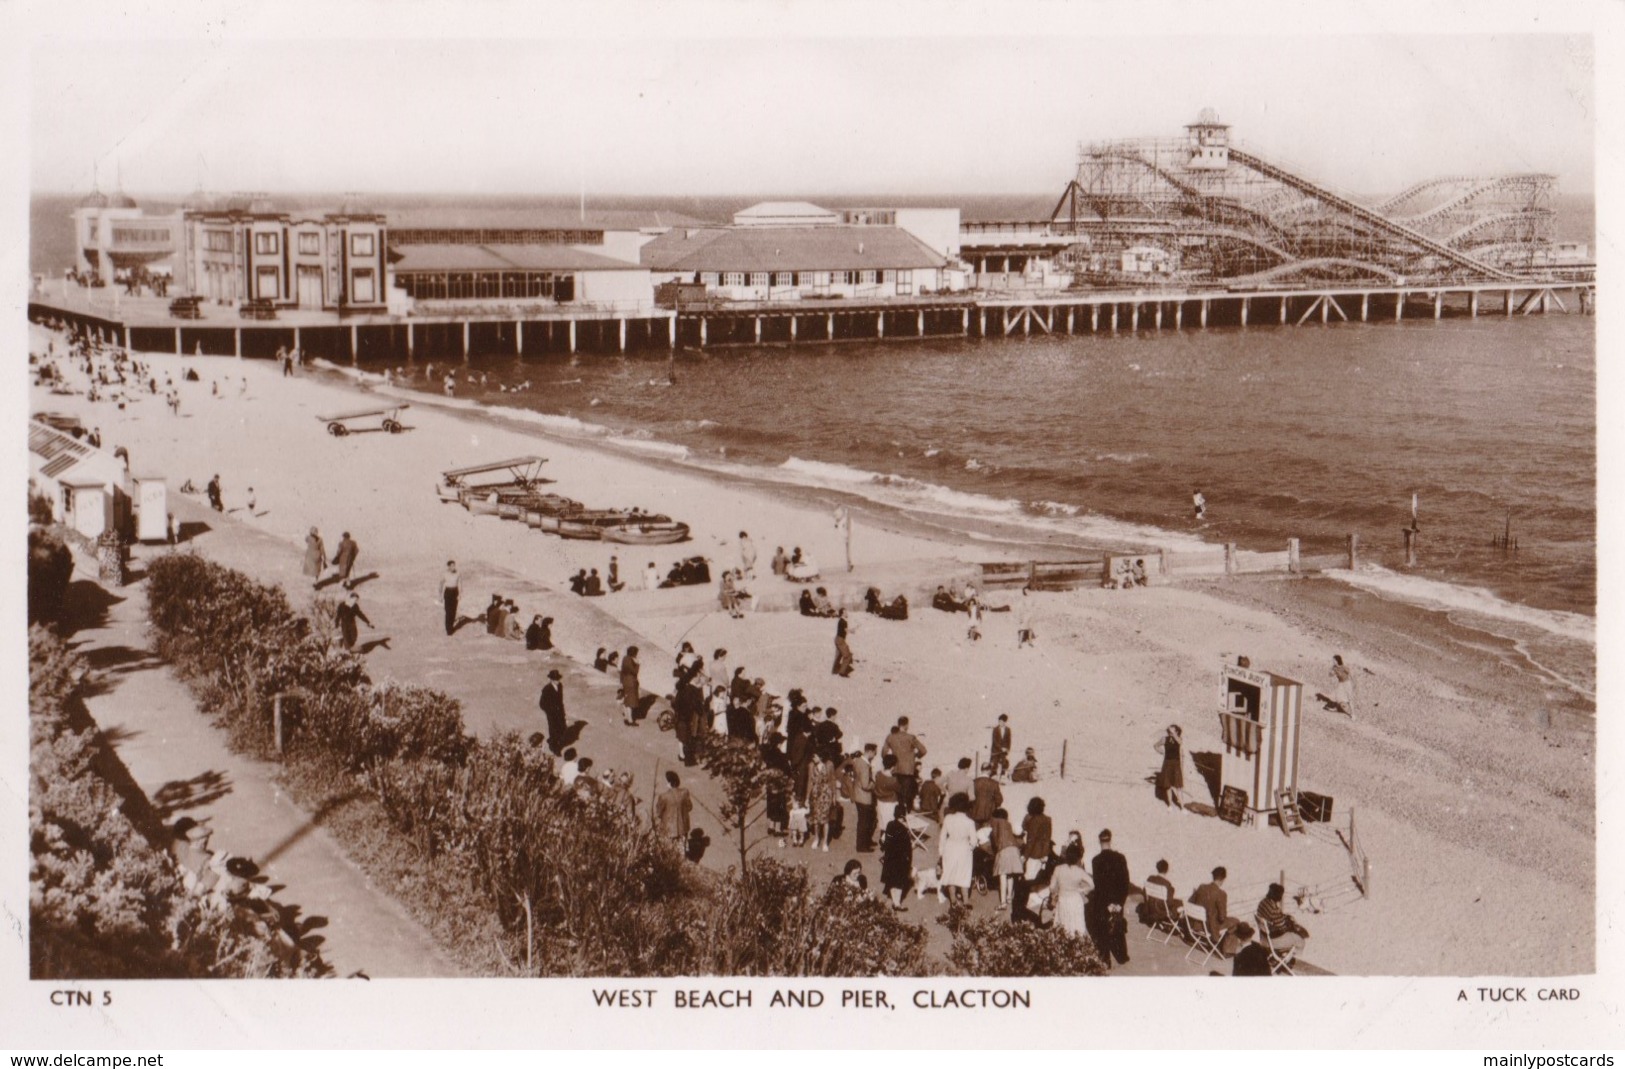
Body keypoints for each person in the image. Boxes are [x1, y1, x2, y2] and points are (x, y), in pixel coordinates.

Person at [1087, 829, 1132, 966]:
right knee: (1117, 928)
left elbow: (1099, 885)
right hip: (1118, 900)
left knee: (1102, 930)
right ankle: (1122, 956)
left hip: (1104, 901)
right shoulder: (1120, 858)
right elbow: (1125, 882)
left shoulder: (1096, 860)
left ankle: (1105, 959)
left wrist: (1107, 904)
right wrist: (1119, 903)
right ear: (1110, 840)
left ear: (1099, 841)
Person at [1189, 866, 1243, 955]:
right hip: (1209, 927)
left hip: (1197, 924)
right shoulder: (1221, 894)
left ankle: (1215, 943)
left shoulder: (1201, 887)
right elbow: (1222, 918)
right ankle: (1227, 950)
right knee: (1236, 921)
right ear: (1223, 879)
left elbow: (1191, 902)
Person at [938, 794, 977, 904]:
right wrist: (969, 847)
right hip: (964, 848)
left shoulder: (948, 819)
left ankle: (953, 900)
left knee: (951, 873)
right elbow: (974, 841)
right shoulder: (970, 822)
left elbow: (942, 837)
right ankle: (966, 900)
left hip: (950, 847)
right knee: (964, 874)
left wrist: (941, 852)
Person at [882, 718, 927, 812]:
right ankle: (906, 817)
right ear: (906, 725)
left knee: (897, 797)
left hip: (895, 771)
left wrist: (891, 761)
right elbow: (923, 750)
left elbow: (883, 753)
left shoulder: (890, 737)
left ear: (898, 725)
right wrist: (915, 756)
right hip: (907, 771)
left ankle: (897, 818)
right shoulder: (911, 737)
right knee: (906, 797)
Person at [1255, 882, 1311, 954]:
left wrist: (1285, 917)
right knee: (1300, 941)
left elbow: (1275, 917)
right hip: (1273, 940)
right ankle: (1285, 956)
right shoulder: (1273, 908)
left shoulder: (1263, 902)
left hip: (1264, 937)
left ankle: (1282, 955)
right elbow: (1281, 926)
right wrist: (1292, 926)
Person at [842, 743, 879, 852]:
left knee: (863, 821)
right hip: (865, 797)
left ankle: (866, 842)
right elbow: (865, 785)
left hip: (858, 795)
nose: (875, 755)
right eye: (875, 753)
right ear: (870, 752)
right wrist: (874, 784)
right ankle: (862, 846)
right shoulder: (864, 765)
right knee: (865, 822)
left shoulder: (857, 761)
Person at [1049, 841, 1090, 937]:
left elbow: (1051, 887)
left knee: (1063, 928)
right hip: (1076, 900)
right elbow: (1091, 885)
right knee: (1077, 929)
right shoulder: (1079, 871)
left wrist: (1056, 893)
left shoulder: (1058, 869)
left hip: (1063, 899)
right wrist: (1082, 890)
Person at [880, 804, 914, 910]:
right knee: (899, 882)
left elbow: (886, 839)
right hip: (901, 859)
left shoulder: (890, 824)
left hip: (890, 856)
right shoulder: (903, 830)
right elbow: (906, 847)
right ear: (904, 815)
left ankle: (893, 899)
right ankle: (897, 903)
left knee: (891, 879)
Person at [987, 807, 1023, 907]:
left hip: (1004, 849)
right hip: (1014, 849)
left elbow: (994, 841)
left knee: (1002, 875)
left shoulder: (994, 822)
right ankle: (1009, 897)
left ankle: (1003, 902)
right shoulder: (1008, 824)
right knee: (1010, 875)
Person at [1155, 724, 1191, 811]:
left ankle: (1182, 807)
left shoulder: (1179, 739)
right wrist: (1161, 752)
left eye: (1173, 730)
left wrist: (1174, 733)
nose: (1170, 732)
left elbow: (1180, 742)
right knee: (1168, 786)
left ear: (1177, 732)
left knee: (1178, 787)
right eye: (1170, 731)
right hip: (1167, 764)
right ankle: (1170, 805)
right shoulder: (1165, 739)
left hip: (1176, 765)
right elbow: (1156, 745)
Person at [805, 753, 836, 853]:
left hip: (826, 794)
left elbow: (832, 780)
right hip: (815, 795)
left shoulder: (829, 765)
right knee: (816, 819)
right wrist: (807, 797)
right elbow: (809, 781)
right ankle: (816, 838)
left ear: (821, 756)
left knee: (825, 819)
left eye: (815, 756)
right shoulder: (811, 765)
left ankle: (825, 842)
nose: (813, 758)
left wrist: (834, 795)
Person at [654, 771, 693, 846]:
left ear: (669, 783)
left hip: (669, 828)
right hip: (683, 827)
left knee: (669, 850)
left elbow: (658, 813)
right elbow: (689, 807)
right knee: (681, 849)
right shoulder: (684, 792)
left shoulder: (663, 796)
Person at [1020, 796, 1053, 880]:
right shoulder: (1047, 820)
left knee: (1029, 878)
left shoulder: (1034, 821)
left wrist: (1025, 856)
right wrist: (1045, 854)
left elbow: (1031, 840)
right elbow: (1047, 838)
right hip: (1044, 852)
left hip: (1034, 853)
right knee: (1040, 879)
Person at [539, 669, 567, 755]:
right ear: (551, 680)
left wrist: (562, 711)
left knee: (562, 728)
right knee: (554, 729)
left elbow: (560, 700)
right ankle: (554, 748)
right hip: (551, 714)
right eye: (555, 679)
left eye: (558, 679)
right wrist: (549, 711)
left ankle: (552, 740)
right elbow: (542, 703)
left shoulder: (560, 686)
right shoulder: (546, 689)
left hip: (559, 712)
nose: (557, 681)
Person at [1319, 654, 1356, 718]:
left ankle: (1353, 714)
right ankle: (1337, 708)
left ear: (1337, 661)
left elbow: (1350, 674)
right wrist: (1331, 669)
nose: (1333, 662)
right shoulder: (1335, 668)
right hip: (1341, 683)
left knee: (1350, 698)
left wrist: (1354, 683)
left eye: (1334, 660)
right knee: (1338, 696)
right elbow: (1330, 675)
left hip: (1347, 683)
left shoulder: (1343, 667)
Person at [619, 645, 641, 726]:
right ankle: (630, 721)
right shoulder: (629, 660)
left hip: (625, 681)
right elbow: (635, 672)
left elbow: (622, 671)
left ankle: (626, 718)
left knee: (627, 701)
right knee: (630, 703)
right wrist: (638, 664)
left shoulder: (625, 659)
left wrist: (621, 682)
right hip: (631, 683)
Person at [439, 560, 460, 635]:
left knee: (454, 611)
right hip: (448, 593)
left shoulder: (457, 574)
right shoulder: (445, 574)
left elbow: (459, 584)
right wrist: (440, 596)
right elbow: (441, 584)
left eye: (454, 565)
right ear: (449, 567)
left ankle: (451, 626)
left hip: (455, 592)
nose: (453, 567)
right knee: (448, 611)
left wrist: (460, 594)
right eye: (452, 566)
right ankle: (449, 630)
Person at [831, 610, 854, 677]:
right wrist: (852, 631)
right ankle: (842, 672)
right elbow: (846, 631)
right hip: (840, 640)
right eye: (845, 612)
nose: (847, 613)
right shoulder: (844, 622)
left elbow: (844, 630)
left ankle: (834, 671)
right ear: (842, 614)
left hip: (837, 639)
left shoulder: (840, 620)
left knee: (838, 656)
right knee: (847, 656)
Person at [990, 714, 1013, 779]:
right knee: (994, 763)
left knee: (1003, 763)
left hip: (1004, 751)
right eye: (999, 721)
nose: (1000, 723)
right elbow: (994, 741)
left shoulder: (1008, 730)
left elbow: (1009, 741)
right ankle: (993, 776)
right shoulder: (995, 729)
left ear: (1005, 722)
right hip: (995, 750)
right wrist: (1001, 748)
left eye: (1002, 721)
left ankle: (1002, 776)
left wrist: (1007, 749)